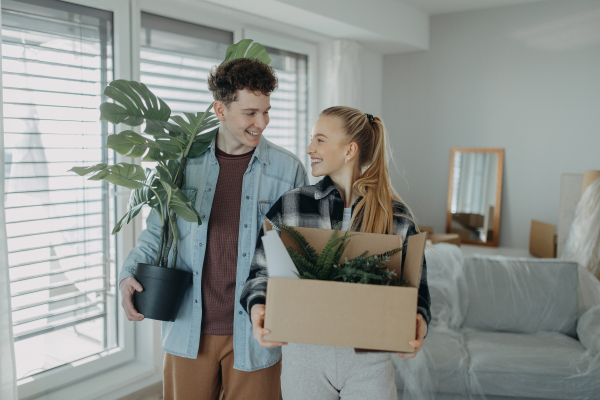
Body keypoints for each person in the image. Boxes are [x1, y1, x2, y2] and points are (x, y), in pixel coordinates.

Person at [118, 58, 309, 400]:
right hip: (187, 327)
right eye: (251, 113)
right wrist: (129, 273)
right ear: (220, 110)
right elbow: (157, 231)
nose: (261, 123)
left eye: (266, 111)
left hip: (254, 333)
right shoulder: (179, 163)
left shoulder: (287, 170)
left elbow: (297, 252)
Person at [240, 106, 431, 400]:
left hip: (370, 358)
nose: (309, 148)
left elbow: (416, 286)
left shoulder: (396, 216)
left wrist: (418, 318)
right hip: (304, 355)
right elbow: (260, 272)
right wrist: (258, 308)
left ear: (349, 149)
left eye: (319, 140)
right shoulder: (292, 205)